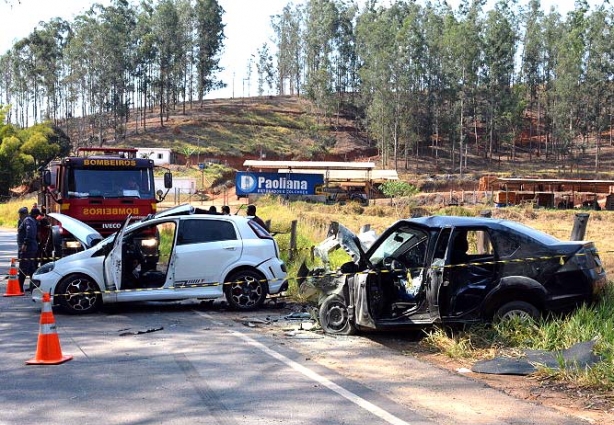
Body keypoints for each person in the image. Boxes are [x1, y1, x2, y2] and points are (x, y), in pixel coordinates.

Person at [17, 207, 38, 292]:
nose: (19, 216)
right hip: (30, 247)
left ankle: (19, 288)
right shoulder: (28, 220)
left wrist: (25, 244)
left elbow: (30, 232)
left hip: (28, 248)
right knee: (31, 268)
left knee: (23, 268)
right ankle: (33, 286)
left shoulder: (27, 220)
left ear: (23, 214)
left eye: (20, 214)